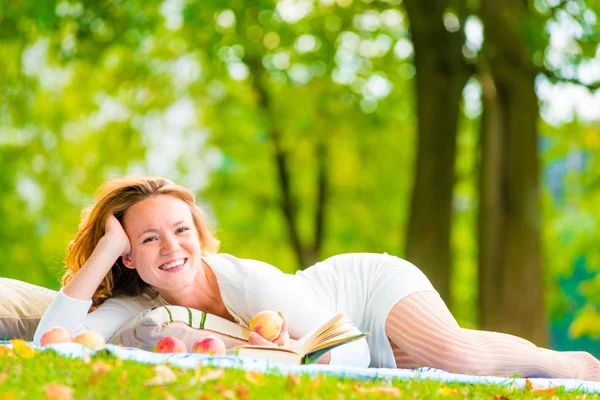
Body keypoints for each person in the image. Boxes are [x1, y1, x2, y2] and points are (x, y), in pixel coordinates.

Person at [33, 176, 600, 379]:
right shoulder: (140, 307)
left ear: (199, 233)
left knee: (460, 358)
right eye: (147, 239)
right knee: (427, 364)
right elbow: (50, 346)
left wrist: (283, 355)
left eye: (181, 230)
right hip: (322, 345)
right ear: (128, 256)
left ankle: (573, 366)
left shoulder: (248, 280)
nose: (171, 248)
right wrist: (104, 249)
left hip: (366, 295)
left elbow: (350, 353)